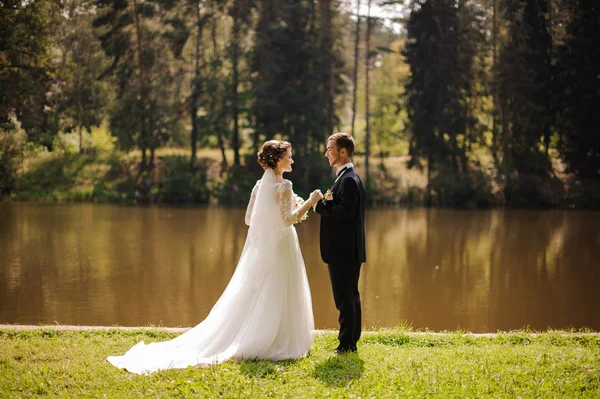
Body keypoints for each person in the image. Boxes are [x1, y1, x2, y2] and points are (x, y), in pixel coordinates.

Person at [107, 140, 322, 374]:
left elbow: (250, 219)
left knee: (261, 289)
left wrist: (274, 222)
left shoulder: (259, 186)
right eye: (289, 156)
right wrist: (310, 202)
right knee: (281, 288)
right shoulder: (285, 185)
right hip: (281, 245)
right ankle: (277, 338)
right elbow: (289, 219)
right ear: (278, 159)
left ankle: (258, 332)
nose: (292, 160)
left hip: (265, 248)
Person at [313, 133, 366, 354]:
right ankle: (351, 340)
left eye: (330, 149)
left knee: (345, 298)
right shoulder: (346, 178)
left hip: (343, 251)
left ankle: (347, 344)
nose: (326, 153)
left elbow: (346, 212)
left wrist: (319, 206)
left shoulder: (348, 180)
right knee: (350, 295)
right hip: (347, 250)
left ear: (342, 152)